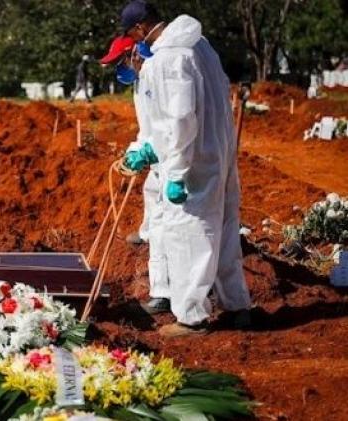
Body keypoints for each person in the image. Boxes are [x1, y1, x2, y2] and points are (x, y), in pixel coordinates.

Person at [119, 1, 252, 336]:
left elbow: (180, 121)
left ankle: (192, 317)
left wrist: (175, 171)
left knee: (188, 236)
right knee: (222, 230)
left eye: (133, 36)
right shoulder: (201, 46)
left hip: (192, 163)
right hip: (218, 155)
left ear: (139, 29)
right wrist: (148, 147)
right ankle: (237, 306)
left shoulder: (167, 59)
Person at [101, 35, 170, 315]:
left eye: (120, 62)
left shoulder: (159, 79)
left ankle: (165, 293)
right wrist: (136, 151)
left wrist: (150, 151)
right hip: (157, 157)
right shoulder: (140, 84)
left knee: (166, 229)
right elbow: (147, 130)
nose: (119, 69)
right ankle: (146, 235)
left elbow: (171, 125)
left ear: (135, 54)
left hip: (173, 159)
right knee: (151, 194)